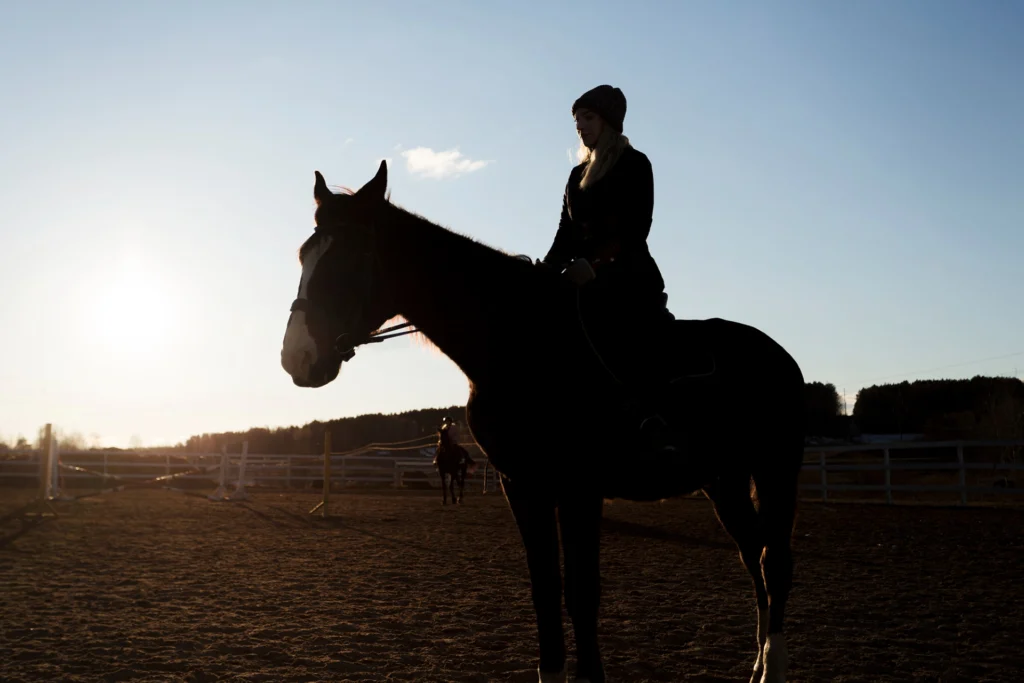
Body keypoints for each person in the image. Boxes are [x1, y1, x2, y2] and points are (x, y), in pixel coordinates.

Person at [538, 84, 679, 454]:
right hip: (581, 278)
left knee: (628, 334)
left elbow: (637, 228)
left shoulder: (635, 164)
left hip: (627, 277)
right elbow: (564, 234)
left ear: (608, 121)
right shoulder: (575, 176)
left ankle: (655, 416)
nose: (580, 126)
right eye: (576, 120)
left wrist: (597, 264)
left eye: (588, 117)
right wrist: (544, 270)